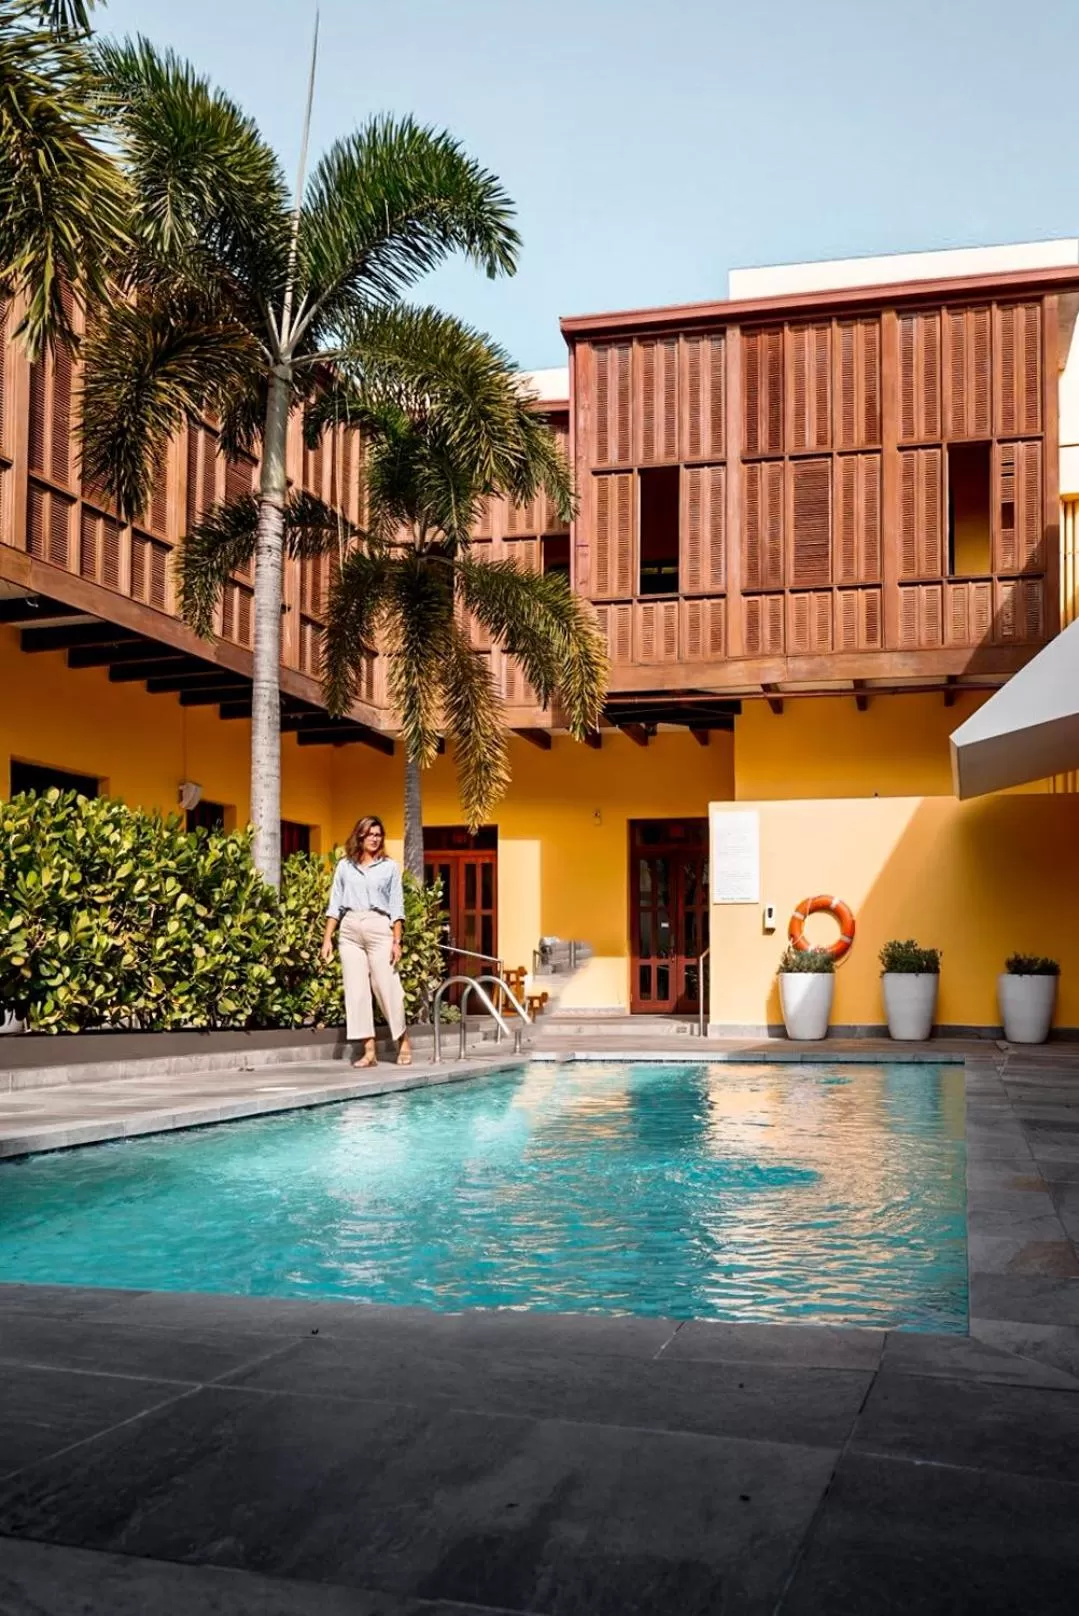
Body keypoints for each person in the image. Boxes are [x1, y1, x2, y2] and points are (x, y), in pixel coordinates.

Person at [321, 816, 412, 1068]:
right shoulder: (344, 866)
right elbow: (335, 903)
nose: (374, 838)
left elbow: (397, 907)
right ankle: (369, 1051)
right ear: (359, 836)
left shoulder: (389, 867)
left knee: (387, 987)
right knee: (356, 991)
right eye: (369, 834)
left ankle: (403, 1039)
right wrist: (327, 937)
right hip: (349, 929)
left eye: (378, 834)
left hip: (378, 926)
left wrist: (396, 941)